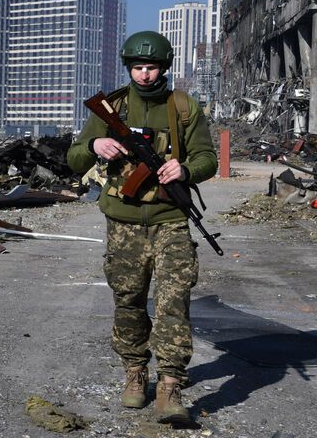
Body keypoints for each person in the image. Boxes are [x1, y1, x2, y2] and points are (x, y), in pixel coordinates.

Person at [66, 31, 217, 424]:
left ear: (163, 67)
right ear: (129, 68)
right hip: (123, 223)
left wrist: (185, 168)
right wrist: (96, 147)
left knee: (173, 304)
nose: (145, 75)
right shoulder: (109, 108)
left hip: (170, 222)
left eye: (150, 67)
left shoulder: (183, 108)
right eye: (137, 67)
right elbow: (75, 157)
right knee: (129, 302)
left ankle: (170, 384)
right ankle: (135, 373)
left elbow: (207, 158)